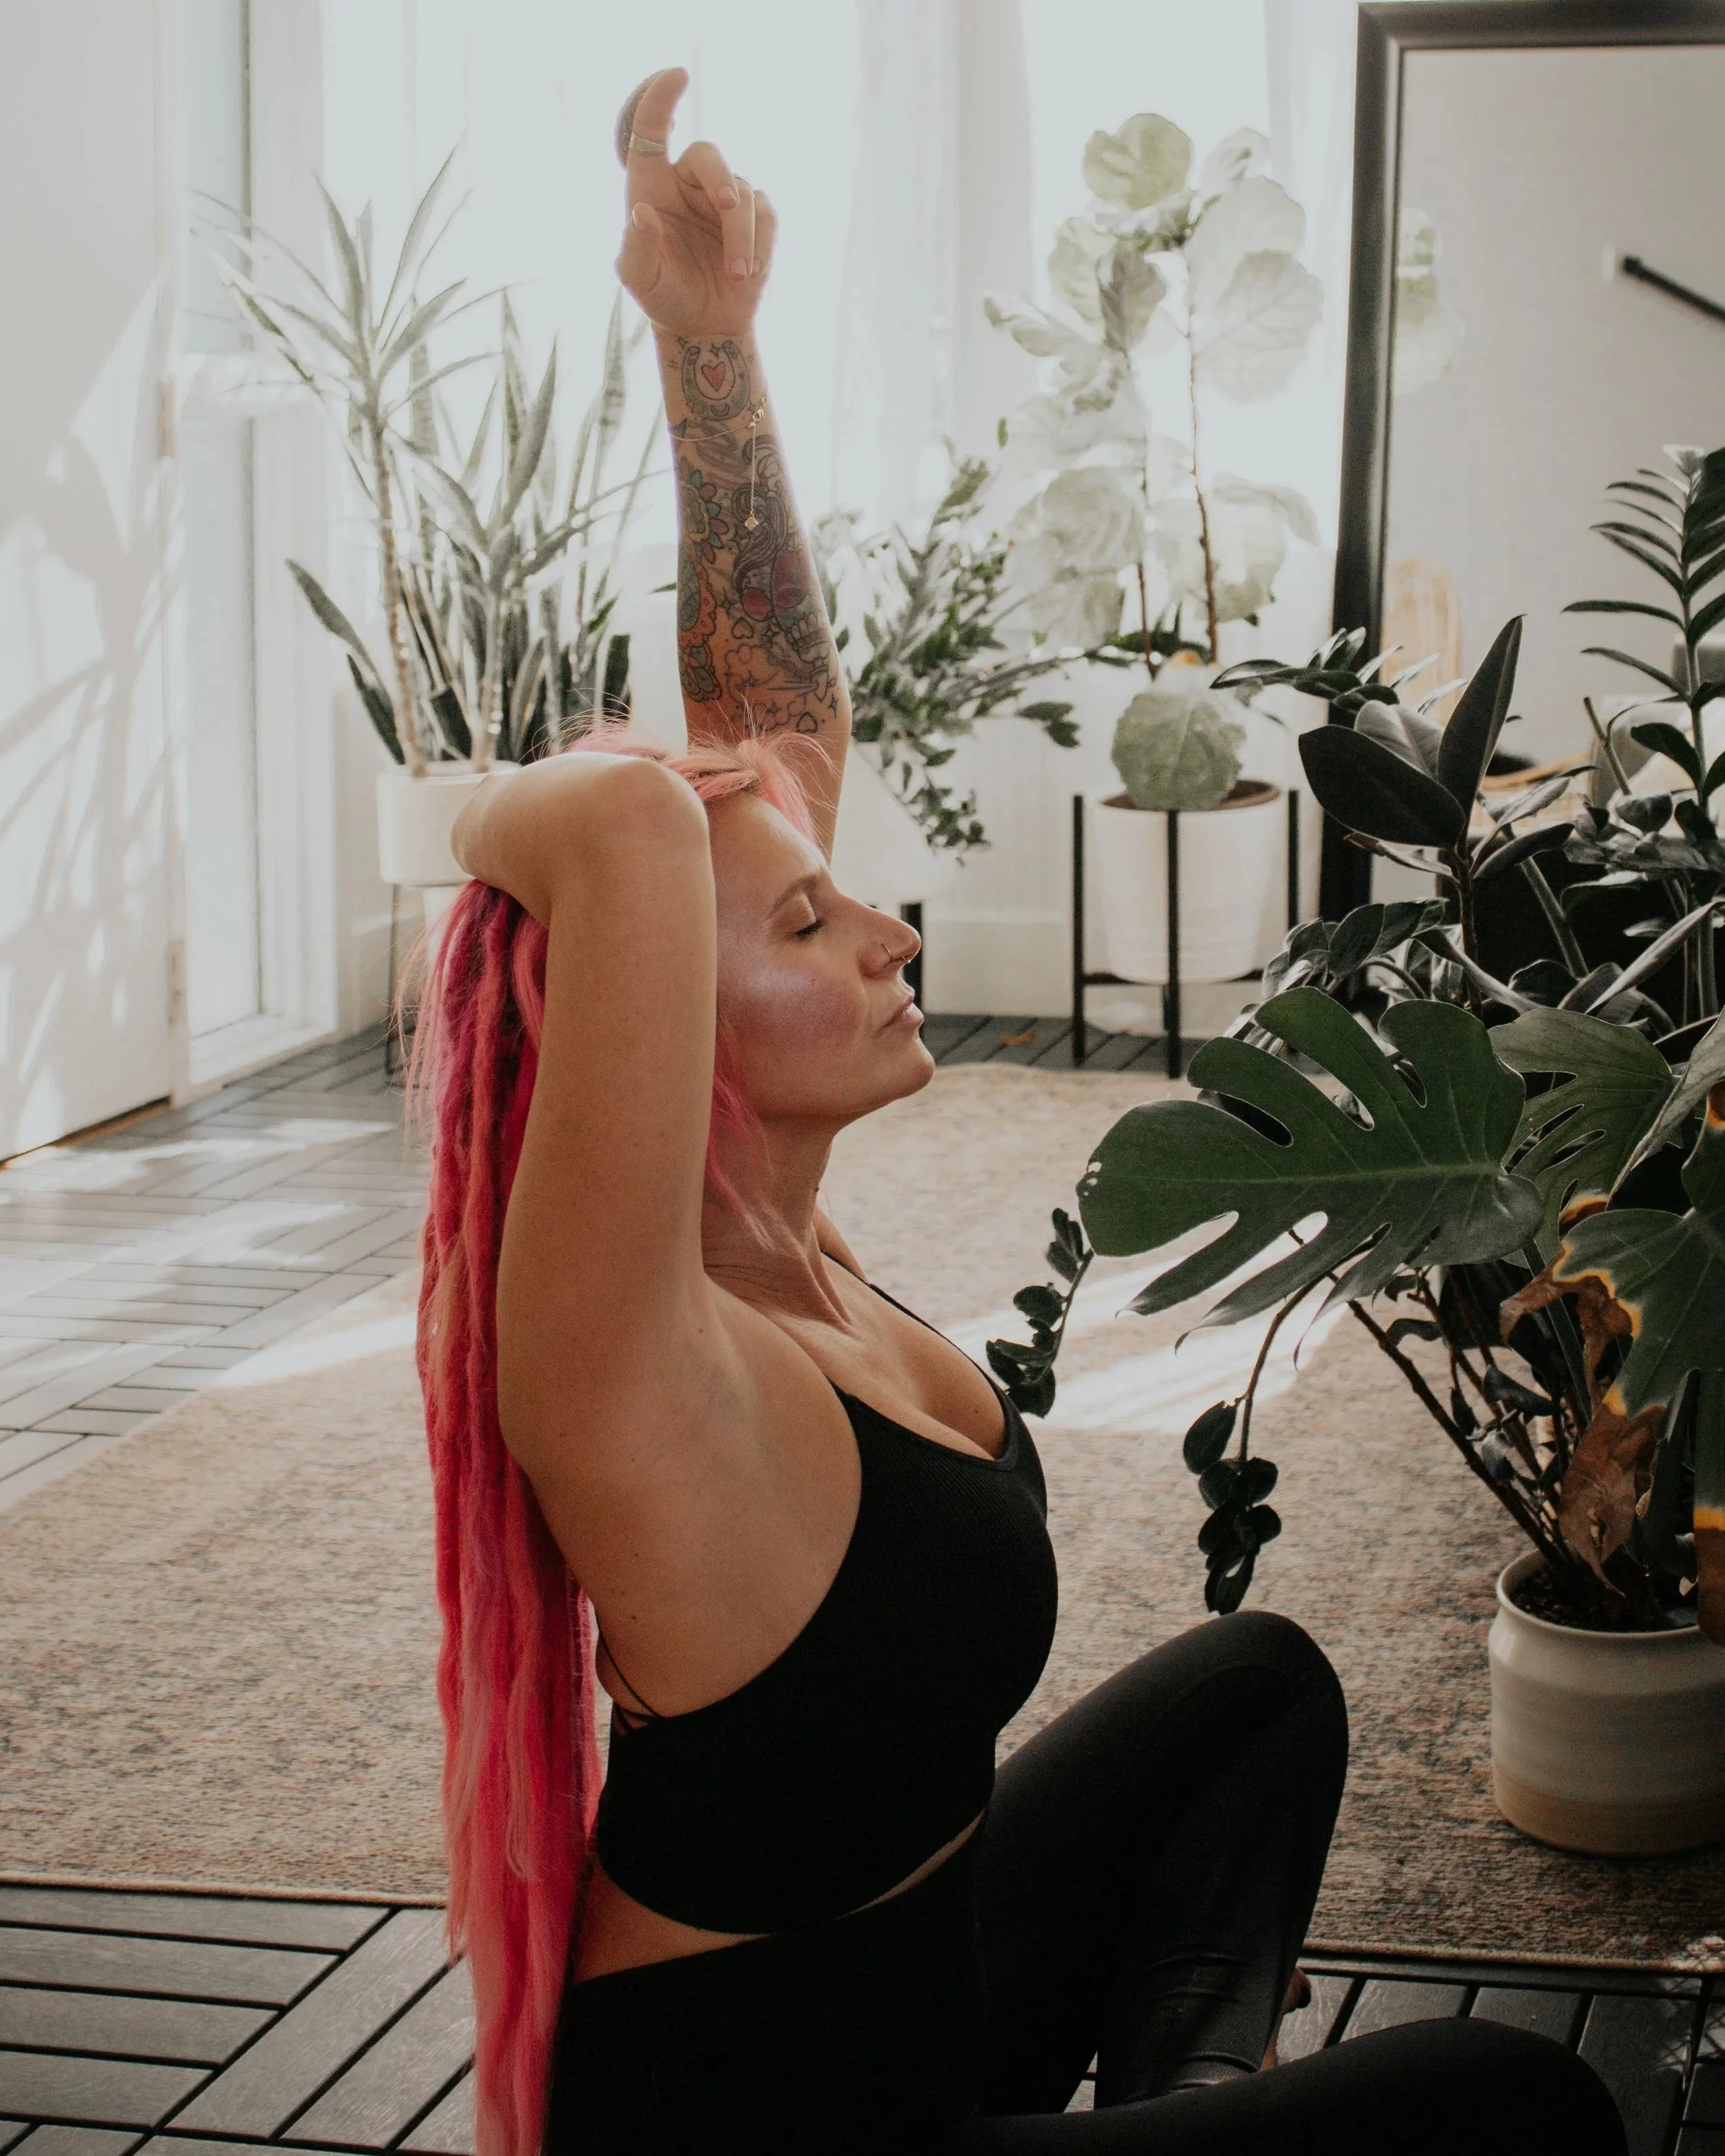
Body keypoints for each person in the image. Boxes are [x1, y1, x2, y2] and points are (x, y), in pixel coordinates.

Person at [412, 67, 1627, 2156]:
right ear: (657, 1018)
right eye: (808, 918)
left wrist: (708, 342)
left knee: (1252, 1693)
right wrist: (490, 816)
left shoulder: (790, 1259)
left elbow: (768, 725)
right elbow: (626, 823)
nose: (887, 924)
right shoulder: (634, 1371)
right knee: (1511, 2105)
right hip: (755, 2126)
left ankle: (1176, 2102)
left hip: (920, 2003)